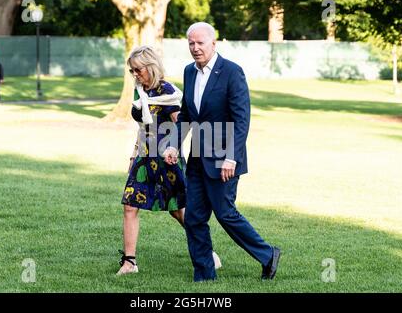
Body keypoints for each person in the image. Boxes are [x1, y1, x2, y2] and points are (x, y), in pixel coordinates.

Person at [164, 22, 281, 282]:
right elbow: (185, 114)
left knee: (225, 213)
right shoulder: (189, 72)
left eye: (200, 43)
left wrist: (231, 157)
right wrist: (174, 143)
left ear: (213, 44)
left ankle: (267, 254)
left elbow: (242, 120)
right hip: (197, 159)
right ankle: (204, 275)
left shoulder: (231, 72)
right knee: (194, 218)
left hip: (224, 159)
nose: (195, 48)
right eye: (191, 43)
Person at [117, 45, 221, 276]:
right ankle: (129, 262)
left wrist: (175, 149)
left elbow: (182, 125)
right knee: (130, 206)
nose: (135, 75)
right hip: (144, 159)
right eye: (132, 71)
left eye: (138, 70)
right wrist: (135, 153)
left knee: (178, 211)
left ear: (150, 67)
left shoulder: (168, 91)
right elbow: (143, 127)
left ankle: (207, 253)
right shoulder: (139, 91)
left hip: (168, 160)